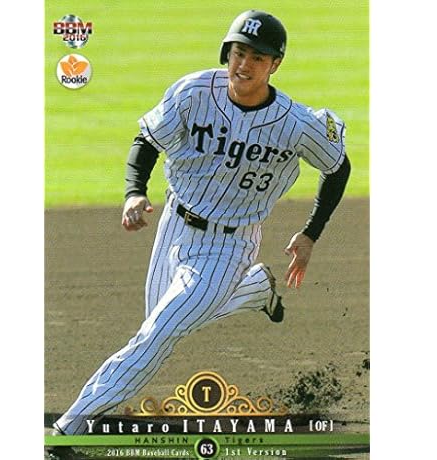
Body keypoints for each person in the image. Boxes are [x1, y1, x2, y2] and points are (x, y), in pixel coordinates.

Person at [48, 9, 350, 457]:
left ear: (275, 64)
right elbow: (147, 141)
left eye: (258, 57)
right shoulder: (194, 92)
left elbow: (337, 165)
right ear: (227, 52)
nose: (244, 64)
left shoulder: (295, 123)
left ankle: (71, 426)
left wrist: (310, 234)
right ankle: (255, 288)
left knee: (156, 336)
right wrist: (134, 193)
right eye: (239, 52)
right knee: (160, 322)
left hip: (230, 243)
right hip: (173, 226)